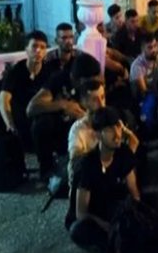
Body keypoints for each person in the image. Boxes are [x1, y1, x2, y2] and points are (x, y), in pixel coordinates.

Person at [68, 107, 141, 253]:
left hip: (112, 207)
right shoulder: (87, 164)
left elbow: (134, 192)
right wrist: (105, 225)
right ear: (97, 135)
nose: (117, 134)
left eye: (118, 127)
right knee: (79, 230)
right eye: (109, 129)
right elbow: (81, 213)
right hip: (93, 215)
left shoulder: (123, 152)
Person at [27, 53, 102, 181]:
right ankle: (46, 170)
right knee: (41, 123)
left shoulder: (96, 84)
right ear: (75, 78)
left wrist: (86, 115)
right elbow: (31, 108)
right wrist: (63, 105)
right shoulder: (59, 79)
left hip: (84, 129)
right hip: (59, 127)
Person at [0, 31, 52, 150]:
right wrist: (9, 124)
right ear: (26, 49)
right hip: (19, 115)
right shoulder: (15, 71)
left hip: (38, 115)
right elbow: (3, 100)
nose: (38, 51)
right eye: (34, 46)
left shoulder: (49, 72)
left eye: (42, 47)